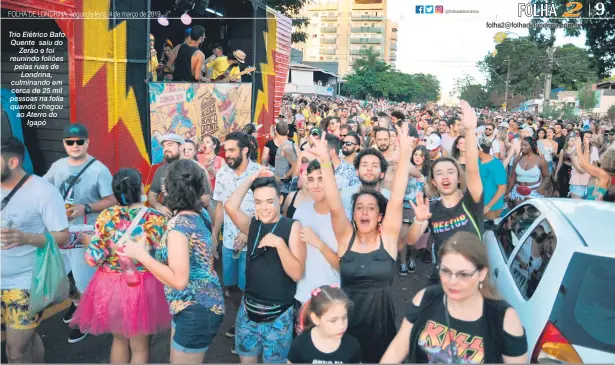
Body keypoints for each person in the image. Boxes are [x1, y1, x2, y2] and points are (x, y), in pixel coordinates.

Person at [308, 123, 413, 363]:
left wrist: (405, 153)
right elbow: (335, 202)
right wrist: (325, 160)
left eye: (371, 208)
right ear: (353, 214)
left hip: (381, 330)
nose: (364, 212)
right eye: (359, 208)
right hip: (344, 327)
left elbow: (396, 198)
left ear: (380, 216)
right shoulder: (346, 237)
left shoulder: (387, 239)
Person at [120, 160, 224, 364]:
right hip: (199, 305)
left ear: (170, 189)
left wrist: (141, 255)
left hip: (194, 310)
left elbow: (179, 280)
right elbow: (206, 252)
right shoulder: (200, 214)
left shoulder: (178, 225)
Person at [69, 168, 171, 364]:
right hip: (143, 286)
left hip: (109, 286)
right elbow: (164, 257)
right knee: (140, 347)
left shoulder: (106, 216)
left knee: (118, 340)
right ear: (141, 187)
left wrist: (89, 243)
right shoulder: (156, 218)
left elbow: (92, 259)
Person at [381, 232, 528, 364]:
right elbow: (396, 351)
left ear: (482, 273)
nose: (452, 282)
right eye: (445, 271)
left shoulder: (504, 318)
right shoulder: (425, 299)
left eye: (463, 274)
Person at [44, 123, 116, 344]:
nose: (75, 146)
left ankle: (87, 321)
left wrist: (85, 208)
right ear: (64, 143)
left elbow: (112, 200)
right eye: (70, 142)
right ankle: (77, 306)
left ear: (87, 142)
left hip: (85, 232)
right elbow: (44, 190)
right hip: (61, 229)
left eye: (79, 141)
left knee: (84, 278)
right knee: (61, 274)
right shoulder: (57, 166)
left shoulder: (99, 169)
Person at [224, 173, 306, 364]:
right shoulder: (253, 225)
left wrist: (280, 244)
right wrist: (252, 178)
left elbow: (296, 273)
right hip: (248, 309)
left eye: (269, 201)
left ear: (280, 200)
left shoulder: (291, 226)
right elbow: (230, 206)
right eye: (258, 202)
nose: (263, 207)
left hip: (279, 314)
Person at [1, 137, 70, 363]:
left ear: (12, 162)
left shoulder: (43, 192)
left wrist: (27, 238)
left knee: (15, 351)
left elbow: (62, 235)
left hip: (25, 283)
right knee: (27, 340)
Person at [407, 101, 484, 286]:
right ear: (433, 181)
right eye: (439, 173)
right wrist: (418, 221)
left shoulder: (471, 201)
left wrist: (470, 130)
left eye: (451, 172)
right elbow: (410, 240)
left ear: (459, 177)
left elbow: (473, 170)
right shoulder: (431, 208)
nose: (445, 177)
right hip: (442, 279)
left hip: (471, 280)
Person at [211, 132, 261, 350]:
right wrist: (214, 234)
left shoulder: (260, 173)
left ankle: (246, 326)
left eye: (232, 150)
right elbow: (221, 206)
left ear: (245, 150)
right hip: (229, 243)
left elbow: (267, 206)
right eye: (226, 150)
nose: (227, 154)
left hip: (253, 243)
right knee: (231, 288)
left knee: (249, 286)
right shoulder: (222, 173)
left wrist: (246, 230)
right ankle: (242, 318)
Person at [293, 161, 341, 304]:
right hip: (303, 294)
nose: (315, 185)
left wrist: (318, 243)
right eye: (311, 179)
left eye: (321, 179)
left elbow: (343, 266)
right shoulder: (301, 210)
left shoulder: (342, 216)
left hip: (331, 297)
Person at [290, 285, 361, 364]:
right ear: (315, 318)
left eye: (344, 318)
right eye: (333, 320)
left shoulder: (352, 346)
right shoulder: (300, 345)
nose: (341, 326)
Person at [507, 137, 549, 205]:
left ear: (532, 146)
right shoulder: (517, 159)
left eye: (525, 145)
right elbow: (512, 178)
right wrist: (507, 192)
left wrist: (542, 187)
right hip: (518, 191)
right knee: (517, 213)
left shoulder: (541, 160)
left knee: (530, 214)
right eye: (521, 145)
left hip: (534, 191)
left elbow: (547, 176)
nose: (522, 147)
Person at [574, 136, 615, 201]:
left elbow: (582, 164)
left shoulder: (603, 174)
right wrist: (586, 147)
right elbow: (587, 164)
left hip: (593, 205)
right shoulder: (603, 173)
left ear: (608, 159)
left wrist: (578, 147)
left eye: (604, 154)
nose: (602, 155)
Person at [478, 137, 507, 220]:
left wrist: (488, 206)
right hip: (478, 204)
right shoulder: (477, 161)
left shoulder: (497, 165)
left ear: (480, 150)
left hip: (492, 207)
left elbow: (502, 188)